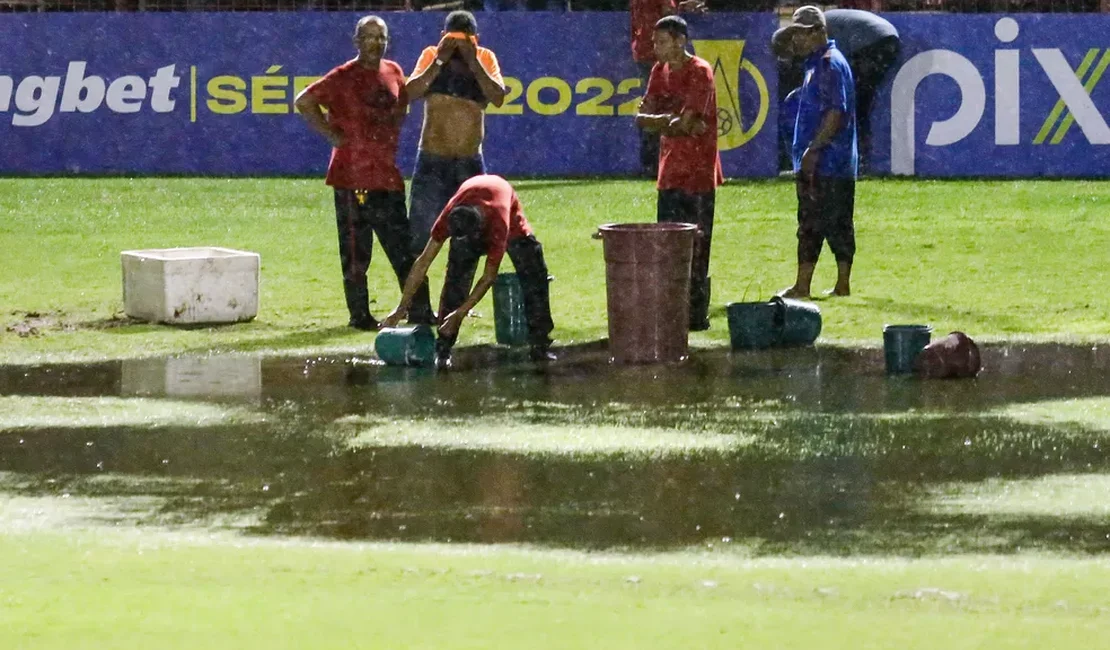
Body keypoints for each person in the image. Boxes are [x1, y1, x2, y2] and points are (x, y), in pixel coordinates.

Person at [294, 16, 433, 331]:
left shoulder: (394, 71)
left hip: (387, 176)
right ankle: (360, 316)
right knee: (357, 254)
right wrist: (332, 136)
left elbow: (403, 103)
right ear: (356, 41)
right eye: (369, 37)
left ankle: (421, 311)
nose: (376, 43)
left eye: (381, 37)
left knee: (404, 250)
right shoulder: (343, 76)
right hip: (351, 179)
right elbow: (304, 101)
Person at [381, 175, 555, 370]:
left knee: (534, 274)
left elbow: (489, 277)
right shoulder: (449, 217)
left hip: (508, 217)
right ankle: (444, 345)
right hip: (472, 201)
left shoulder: (499, 222)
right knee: (456, 280)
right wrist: (402, 306)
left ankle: (539, 343)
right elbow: (423, 262)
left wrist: (460, 313)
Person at [635, 15, 723, 331]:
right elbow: (642, 119)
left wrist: (666, 121)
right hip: (669, 171)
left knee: (696, 247)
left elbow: (686, 123)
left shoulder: (700, 71)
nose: (655, 47)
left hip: (698, 173)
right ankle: (672, 311)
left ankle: (695, 316)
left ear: (680, 41)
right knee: (667, 244)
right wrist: (671, 121)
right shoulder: (660, 71)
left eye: (661, 41)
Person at [771, 6, 858, 299]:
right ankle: (836, 284)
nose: (797, 40)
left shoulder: (829, 65)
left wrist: (813, 149)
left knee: (814, 223)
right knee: (833, 223)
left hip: (828, 161)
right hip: (831, 161)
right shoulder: (816, 64)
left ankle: (806, 285)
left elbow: (836, 112)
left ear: (819, 32)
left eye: (802, 34)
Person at [405, 11, 506, 257]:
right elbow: (410, 92)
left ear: (476, 40)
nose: (458, 47)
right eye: (453, 40)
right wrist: (439, 60)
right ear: (442, 37)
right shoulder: (432, 55)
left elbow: (498, 97)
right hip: (432, 160)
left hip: (469, 162)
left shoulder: (485, 57)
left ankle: (457, 296)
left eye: (465, 41)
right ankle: (417, 294)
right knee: (418, 239)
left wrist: (474, 62)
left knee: (470, 243)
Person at [776, 7, 899, 174]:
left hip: (873, 41)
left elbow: (829, 74)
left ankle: (858, 158)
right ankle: (859, 157)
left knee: (848, 104)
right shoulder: (825, 32)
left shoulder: (828, 56)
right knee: (857, 101)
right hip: (883, 36)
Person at [629, 0, 706, 178]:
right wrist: (682, 11)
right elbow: (668, 14)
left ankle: (651, 164)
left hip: (642, 49)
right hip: (655, 53)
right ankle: (665, 163)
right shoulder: (669, 61)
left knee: (653, 108)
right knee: (674, 108)